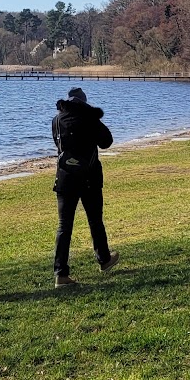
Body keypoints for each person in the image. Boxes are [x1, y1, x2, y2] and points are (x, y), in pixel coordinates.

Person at [51, 86, 117, 287]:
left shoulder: (57, 120)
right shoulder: (90, 118)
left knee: (64, 227)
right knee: (95, 221)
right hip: (89, 178)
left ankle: (61, 273)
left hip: (64, 178)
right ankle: (104, 259)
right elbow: (107, 141)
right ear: (84, 102)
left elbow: (58, 144)